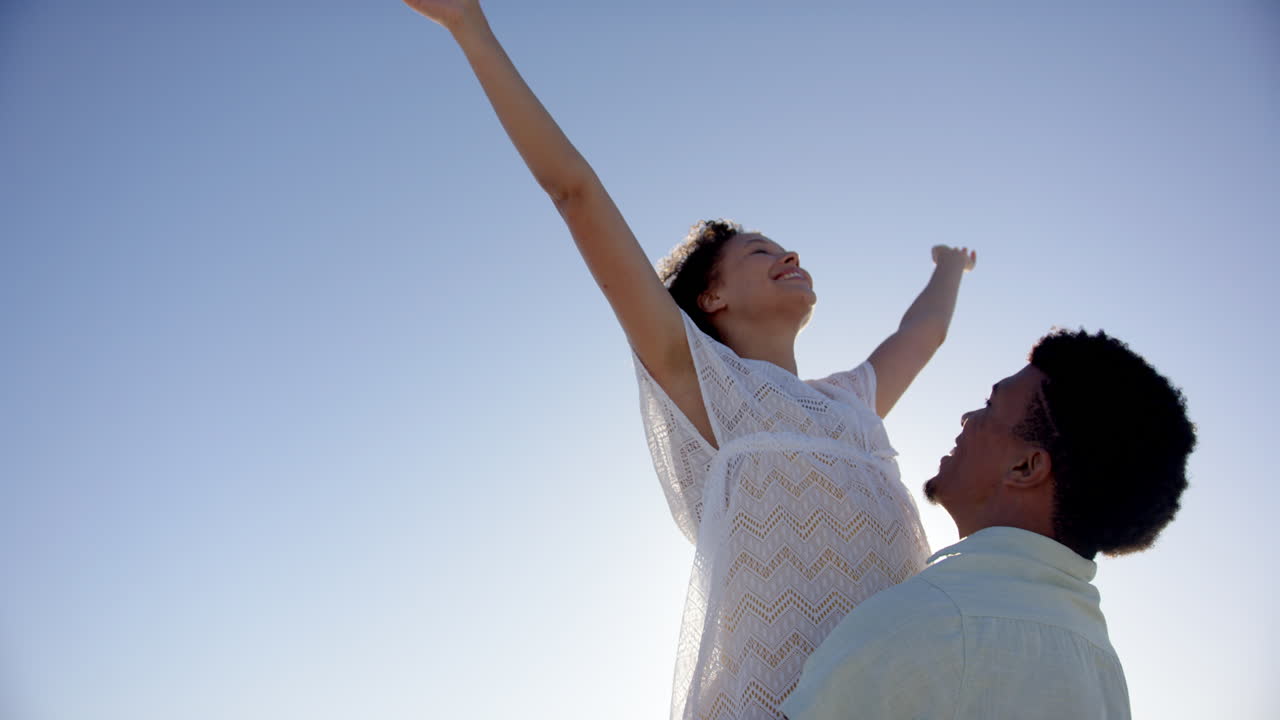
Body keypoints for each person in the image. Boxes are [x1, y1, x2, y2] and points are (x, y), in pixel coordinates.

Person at [404, 3, 974, 717]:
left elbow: (920, 335)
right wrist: (471, 30)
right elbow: (573, 192)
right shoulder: (704, 385)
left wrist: (951, 268)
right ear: (710, 296)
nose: (788, 254)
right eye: (762, 251)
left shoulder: (850, 402)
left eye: (786, 246)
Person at [781, 329, 1197, 720]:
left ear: (1025, 466)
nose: (967, 417)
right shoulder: (1101, 664)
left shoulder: (926, 620)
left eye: (990, 406)